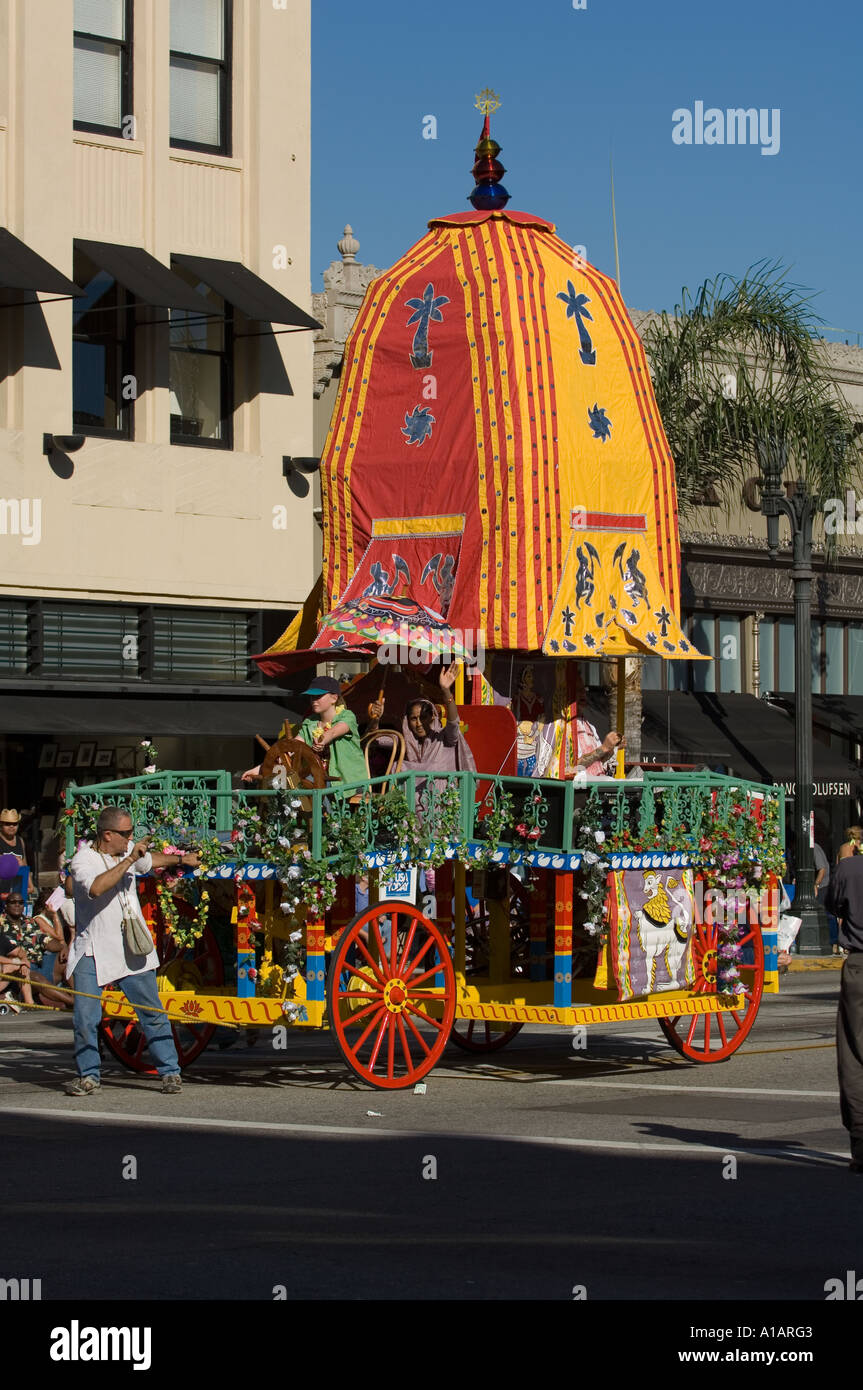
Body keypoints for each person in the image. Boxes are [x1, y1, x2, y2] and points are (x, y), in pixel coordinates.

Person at [65, 805, 200, 1096]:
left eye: (131, 833)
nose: (130, 839)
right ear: (107, 834)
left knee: (151, 1012)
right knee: (85, 1018)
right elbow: (97, 888)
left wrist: (181, 859)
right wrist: (128, 860)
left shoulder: (126, 853)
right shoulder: (83, 860)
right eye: (125, 834)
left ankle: (170, 1072)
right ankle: (89, 1076)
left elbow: (151, 861)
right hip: (92, 950)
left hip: (130, 948)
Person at [367, 666, 477, 790]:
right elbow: (374, 739)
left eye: (423, 717)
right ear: (407, 721)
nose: (419, 723)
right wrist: (376, 719)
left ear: (433, 717)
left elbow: (453, 721)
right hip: (411, 806)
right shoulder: (404, 741)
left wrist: (446, 691)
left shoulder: (445, 737)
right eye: (414, 719)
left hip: (441, 804)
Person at [825, 852, 863, 1172]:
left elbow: (833, 905)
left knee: (853, 1054)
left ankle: (861, 1144)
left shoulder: (849, 868)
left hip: (858, 967)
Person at [0, 808, 28, 896]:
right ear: (1, 825)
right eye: (7, 824)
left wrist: (28, 885)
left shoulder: (20, 840)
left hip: (17, 890)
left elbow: (25, 864)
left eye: (14, 824)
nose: (11, 826)